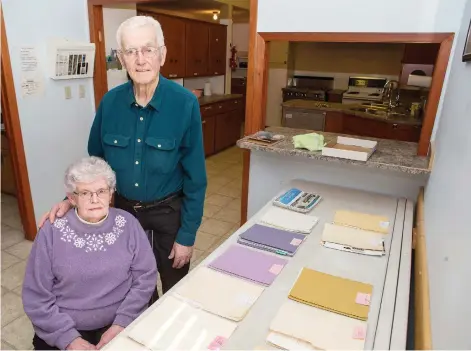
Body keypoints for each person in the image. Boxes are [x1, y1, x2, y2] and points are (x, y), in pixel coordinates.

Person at [39, 15, 207, 301]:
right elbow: (95, 166)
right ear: (121, 58)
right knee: (132, 289)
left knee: (175, 291)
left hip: (169, 215)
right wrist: (73, 200)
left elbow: (196, 178)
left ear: (162, 54)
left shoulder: (184, 103)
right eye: (130, 51)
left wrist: (187, 236)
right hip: (124, 215)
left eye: (148, 49)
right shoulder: (110, 102)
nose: (140, 60)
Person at [23, 156, 157, 350]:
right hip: (66, 326)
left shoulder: (128, 224)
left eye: (101, 191)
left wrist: (123, 323)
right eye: (85, 193)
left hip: (120, 320)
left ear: (111, 193)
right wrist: (68, 339)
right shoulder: (51, 231)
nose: (95, 199)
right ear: (71, 198)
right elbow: (36, 296)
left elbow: (145, 277)